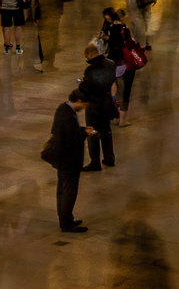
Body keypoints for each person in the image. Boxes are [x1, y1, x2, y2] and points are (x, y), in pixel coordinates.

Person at [50, 90, 95, 232]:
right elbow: (71, 141)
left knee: (62, 191)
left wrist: (81, 129)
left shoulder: (62, 108)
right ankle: (67, 224)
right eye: (85, 104)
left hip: (61, 160)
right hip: (69, 161)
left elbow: (63, 131)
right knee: (69, 192)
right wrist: (84, 134)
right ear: (79, 101)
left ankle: (65, 218)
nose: (85, 108)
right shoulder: (69, 116)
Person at [80, 43, 119, 170]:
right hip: (107, 102)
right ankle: (109, 158)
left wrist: (81, 84)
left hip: (94, 104)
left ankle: (95, 162)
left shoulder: (90, 70)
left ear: (90, 54)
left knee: (93, 132)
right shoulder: (111, 63)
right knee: (106, 131)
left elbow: (86, 88)